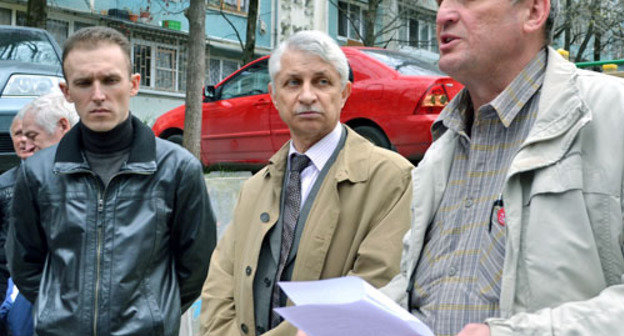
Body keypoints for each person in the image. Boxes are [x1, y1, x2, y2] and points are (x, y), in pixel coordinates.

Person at [373, 0, 624, 335]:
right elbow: (423, 290)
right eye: (439, 2)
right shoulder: (441, 147)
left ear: (534, 12)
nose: (444, 13)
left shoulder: (610, 113)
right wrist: (354, 320)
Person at [5, 26, 217, 336]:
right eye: (84, 83)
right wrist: (60, 313)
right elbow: (25, 263)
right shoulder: (38, 172)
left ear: (133, 85)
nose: (98, 95)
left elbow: (196, 264)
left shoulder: (177, 169)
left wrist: (154, 313)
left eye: (110, 80)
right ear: (66, 92)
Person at [200, 30, 414, 336]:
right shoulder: (256, 187)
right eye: (293, 83)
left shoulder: (392, 179)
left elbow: (370, 291)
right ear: (274, 96)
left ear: (344, 93)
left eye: (322, 81)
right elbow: (219, 286)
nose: (308, 95)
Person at [0, 91, 79, 336]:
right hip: (29, 298)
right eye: (19, 134)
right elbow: (18, 257)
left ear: (62, 127)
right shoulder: (18, 182)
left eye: (33, 135)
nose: (26, 142)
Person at [0, 113, 35, 336]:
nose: (22, 140)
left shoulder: (57, 179)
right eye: (17, 134)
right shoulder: (3, 183)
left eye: (29, 134)